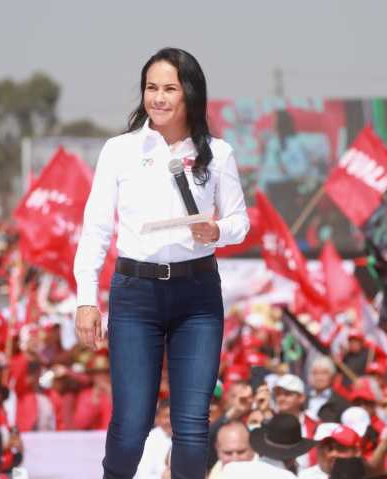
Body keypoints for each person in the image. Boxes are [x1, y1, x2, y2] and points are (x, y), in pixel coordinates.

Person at [74, 47, 249, 478]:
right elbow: (95, 229)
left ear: (190, 93)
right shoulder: (119, 150)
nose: (158, 97)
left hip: (197, 296)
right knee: (132, 424)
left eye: (170, 88)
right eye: (151, 88)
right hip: (137, 294)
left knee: (192, 426)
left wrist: (217, 231)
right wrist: (86, 299)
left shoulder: (218, 153)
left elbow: (240, 222)